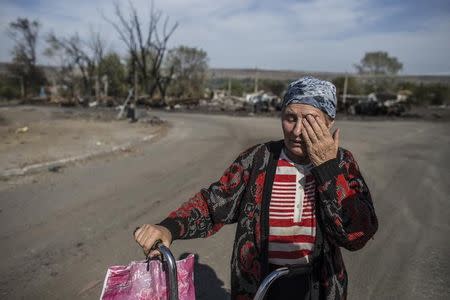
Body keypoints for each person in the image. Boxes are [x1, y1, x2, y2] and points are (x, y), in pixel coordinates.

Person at [133, 76, 378, 300]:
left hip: (319, 289)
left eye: (310, 121)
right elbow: (213, 205)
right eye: (290, 118)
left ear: (329, 121)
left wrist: (327, 168)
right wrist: (168, 228)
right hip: (260, 288)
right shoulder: (259, 158)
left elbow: (357, 235)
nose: (297, 130)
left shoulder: (343, 164)